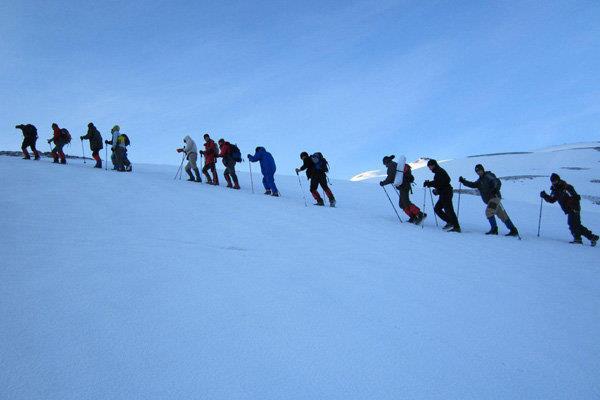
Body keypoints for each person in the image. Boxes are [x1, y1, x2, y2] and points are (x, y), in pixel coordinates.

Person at [459, 164, 519, 237]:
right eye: (477, 171)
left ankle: (494, 229)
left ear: (483, 170)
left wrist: (495, 188)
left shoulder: (488, 175)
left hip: (494, 197)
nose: (478, 172)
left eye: (479, 170)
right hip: (491, 199)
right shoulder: (480, 180)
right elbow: (473, 184)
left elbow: (497, 181)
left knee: (489, 212)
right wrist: (463, 181)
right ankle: (513, 230)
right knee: (502, 215)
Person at [541, 173, 598, 246]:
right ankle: (592, 237)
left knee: (572, 224)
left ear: (558, 180)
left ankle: (578, 239)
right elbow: (552, 199)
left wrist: (573, 207)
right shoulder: (555, 190)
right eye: (552, 181)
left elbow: (575, 197)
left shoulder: (566, 187)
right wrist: (545, 196)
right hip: (569, 209)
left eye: (555, 181)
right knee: (576, 225)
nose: (554, 182)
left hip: (574, 208)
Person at [380, 155, 425, 224]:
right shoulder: (395, 164)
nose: (385, 165)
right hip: (404, 186)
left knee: (406, 202)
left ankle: (420, 214)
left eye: (384, 163)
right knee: (402, 204)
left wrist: (383, 183)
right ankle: (413, 217)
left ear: (386, 162)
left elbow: (390, 178)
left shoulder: (391, 166)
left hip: (404, 186)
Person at [423, 159, 460, 232]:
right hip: (444, 193)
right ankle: (450, 222)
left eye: (429, 166)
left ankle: (456, 227)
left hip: (446, 193)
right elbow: (440, 182)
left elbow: (443, 181)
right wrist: (432, 185)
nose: (429, 168)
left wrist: (430, 184)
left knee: (449, 210)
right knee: (438, 208)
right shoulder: (438, 171)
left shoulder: (439, 171)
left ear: (433, 165)